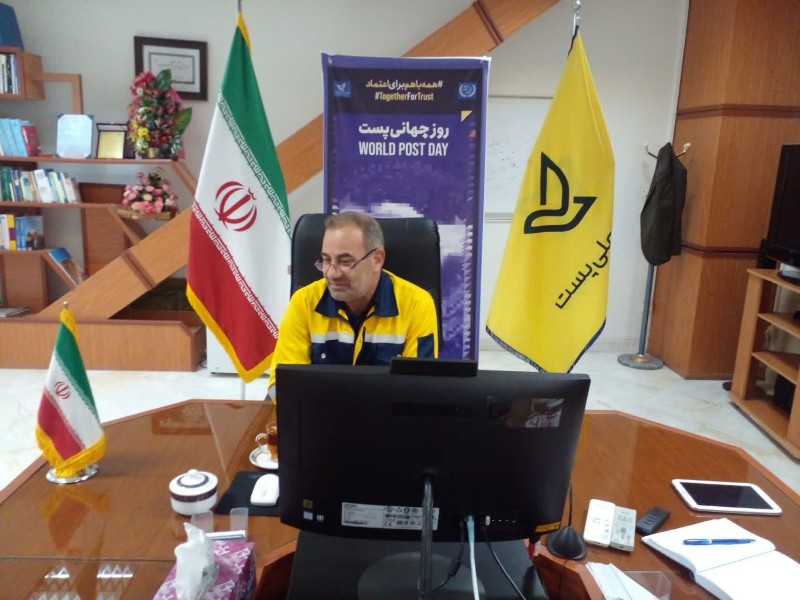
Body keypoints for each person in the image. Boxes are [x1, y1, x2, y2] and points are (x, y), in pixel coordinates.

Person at [267, 211, 438, 401]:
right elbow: (282, 388)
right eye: (326, 260)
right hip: (318, 416)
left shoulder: (416, 304)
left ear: (377, 259)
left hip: (384, 419)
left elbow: (418, 391)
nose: (332, 273)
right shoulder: (304, 302)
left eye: (345, 261)